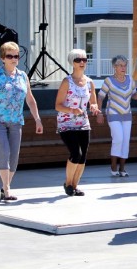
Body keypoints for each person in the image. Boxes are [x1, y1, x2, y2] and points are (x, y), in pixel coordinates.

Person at [0, 41, 43, 200]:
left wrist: (38, 119)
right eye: (10, 56)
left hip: (16, 120)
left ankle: (4, 186)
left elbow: (30, 99)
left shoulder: (23, 76)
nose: (14, 59)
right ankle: (7, 190)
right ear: (3, 58)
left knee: (14, 156)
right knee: (4, 152)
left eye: (16, 56)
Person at [55, 49, 100, 196]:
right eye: (78, 60)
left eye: (84, 60)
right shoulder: (66, 82)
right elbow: (58, 105)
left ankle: (75, 186)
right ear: (72, 63)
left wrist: (94, 107)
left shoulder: (90, 82)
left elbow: (93, 102)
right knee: (76, 153)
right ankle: (68, 183)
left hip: (83, 123)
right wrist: (72, 110)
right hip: (66, 123)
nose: (82, 62)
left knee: (83, 155)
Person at [97, 55, 137, 177]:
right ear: (114, 67)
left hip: (127, 114)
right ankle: (113, 167)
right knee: (118, 139)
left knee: (125, 141)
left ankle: (122, 169)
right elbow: (100, 96)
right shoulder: (108, 80)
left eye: (125, 65)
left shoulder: (130, 79)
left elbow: (133, 95)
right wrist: (99, 112)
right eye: (120, 65)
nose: (123, 68)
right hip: (113, 114)